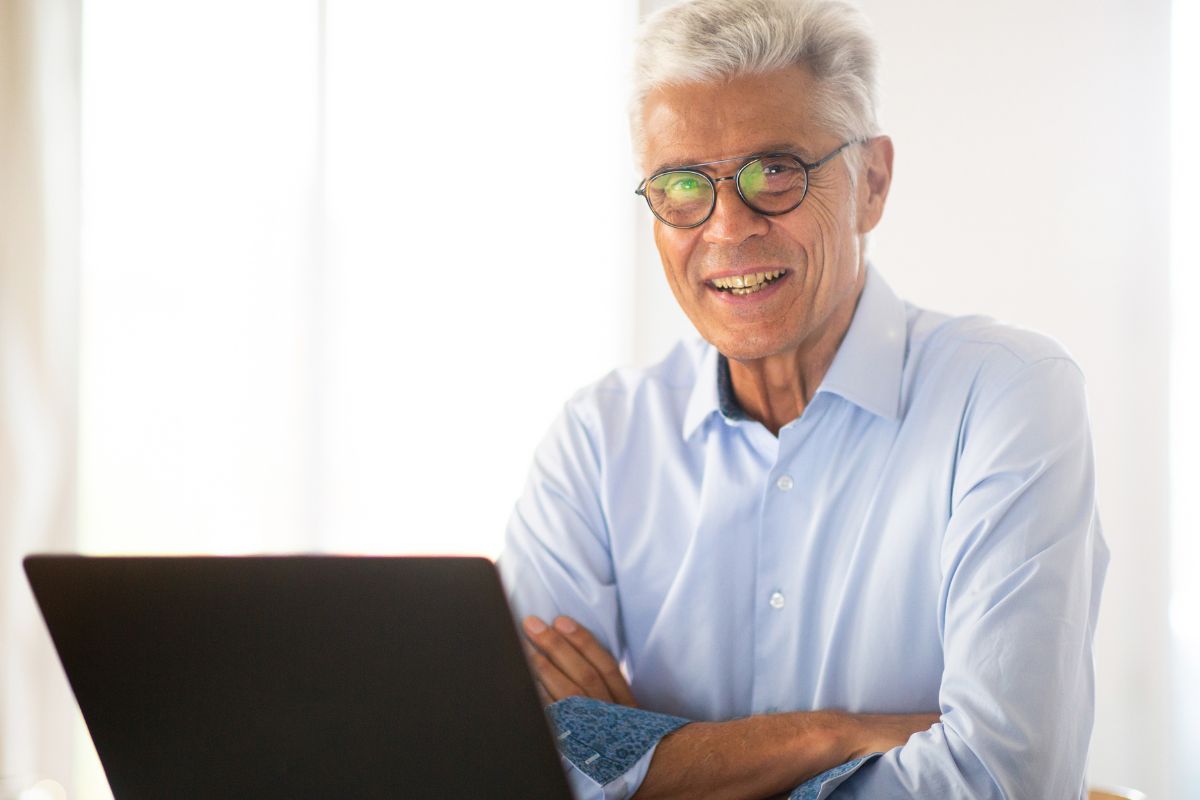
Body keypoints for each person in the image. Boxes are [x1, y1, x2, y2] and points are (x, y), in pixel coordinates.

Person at [499, 0, 1109, 797]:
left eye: (776, 171)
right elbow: (513, 759)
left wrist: (654, 766)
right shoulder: (598, 440)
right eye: (683, 184)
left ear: (873, 182)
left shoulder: (1007, 397)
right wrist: (832, 736)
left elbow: (998, 779)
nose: (727, 229)